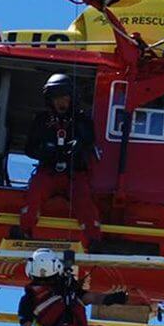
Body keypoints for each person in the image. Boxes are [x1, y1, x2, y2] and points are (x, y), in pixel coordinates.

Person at [20, 73, 101, 247]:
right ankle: (25, 230)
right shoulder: (42, 121)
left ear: (72, 98)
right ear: (50, 100)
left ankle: (93, 239)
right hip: (48, 172)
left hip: (75, 174)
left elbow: (90, 140)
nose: (61, 102)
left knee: (84, 200)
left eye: (64, 97)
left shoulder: (83, 120)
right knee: (35, 190)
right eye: (56, 98)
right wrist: (46, 151)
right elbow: (29, 148)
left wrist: (79, 144)